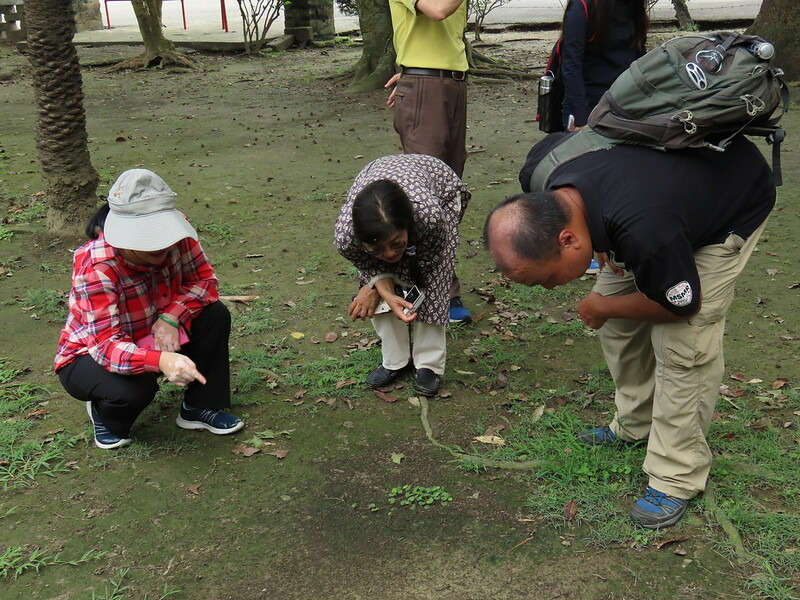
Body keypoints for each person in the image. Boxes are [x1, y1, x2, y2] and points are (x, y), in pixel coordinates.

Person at [484, 133, 775, 529]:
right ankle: (635, 423)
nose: (551, 289)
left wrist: (603, 304)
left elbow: (683, 306)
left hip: (730, 202)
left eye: (546, 280)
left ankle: (676, 475)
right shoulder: (542, 173)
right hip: (663, 202)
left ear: (568, 238)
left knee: (684, 346)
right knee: (617, 319)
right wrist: (601, 241)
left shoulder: (645, 230)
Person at [54, 169, 244, 449]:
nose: (162, 246)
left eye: (163, 234)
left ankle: (199, 407)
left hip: (153, 332)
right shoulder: (96, 265)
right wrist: (160, 361)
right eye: (147, 238)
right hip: (91, 353)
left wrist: (172, 316)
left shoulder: (180, 236)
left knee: (214, 314)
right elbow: (106, 345)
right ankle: (104, 415)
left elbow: (205, 282)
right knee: (134, 389)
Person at [334, 154, 470, 396]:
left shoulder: (429, 217)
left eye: (397, 244)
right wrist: (376, 285)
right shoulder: (346, 238)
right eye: (376, 249)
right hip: (381, 182)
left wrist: (379, 284)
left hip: (440, 188)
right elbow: (371, 267)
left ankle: (428, 364)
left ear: (408, 227)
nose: (388, 253)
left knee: (434, 281)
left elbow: (428, 263)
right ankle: (395, 360)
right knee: (374, 284)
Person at [384, 0, 473, 324]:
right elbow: (436, 10)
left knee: (449, 192)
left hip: (452, 83)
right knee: (423, 199)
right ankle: (430, 293)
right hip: (425, 88)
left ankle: (439, 287)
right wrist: (414, 79)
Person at [559, 0, 649, 130]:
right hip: (587, 103)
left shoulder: (633, 5)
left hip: (624, 103)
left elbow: (638, 56)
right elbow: (571, 66)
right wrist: (581, 119)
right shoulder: (582, 6)